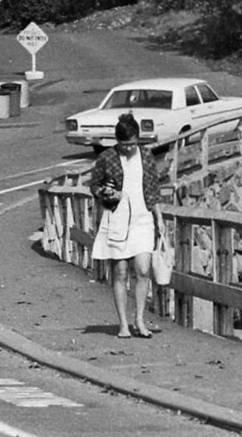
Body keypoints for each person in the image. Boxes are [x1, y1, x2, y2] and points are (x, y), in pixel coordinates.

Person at [89, 114, 164, 338]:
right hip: (117, 217)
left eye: (132, 144)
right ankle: (123, 324)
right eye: (124, 145)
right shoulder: (107, 158)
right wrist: (105, 192)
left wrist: (159, 218)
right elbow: (94, 185)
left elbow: (153, 189)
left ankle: (140, 320)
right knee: (120, 272)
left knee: (143, 269)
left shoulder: (147, 156)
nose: (129, 149)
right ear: (117, 141)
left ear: (138, 139)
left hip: (142, 216)